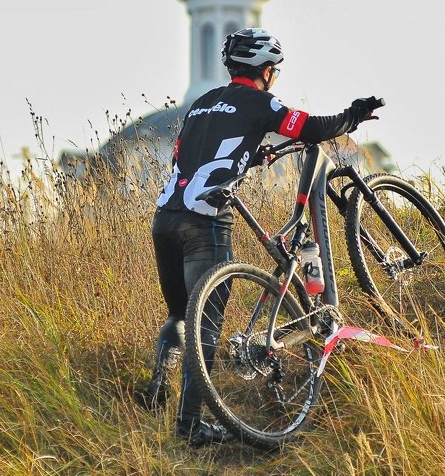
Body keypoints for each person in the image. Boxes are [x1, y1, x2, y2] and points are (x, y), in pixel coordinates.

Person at [139, 28, 380, 447]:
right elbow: (309, 128)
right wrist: (353, 115)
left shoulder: (201, 105)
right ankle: (190, 426)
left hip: (165, 220)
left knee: (181, 315)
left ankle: (158, 388)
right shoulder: (259, 101)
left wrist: (253, 149)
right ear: (266, 71)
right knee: (206, 326)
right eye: (276, 71)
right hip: (206, 222)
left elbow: (188, 155)